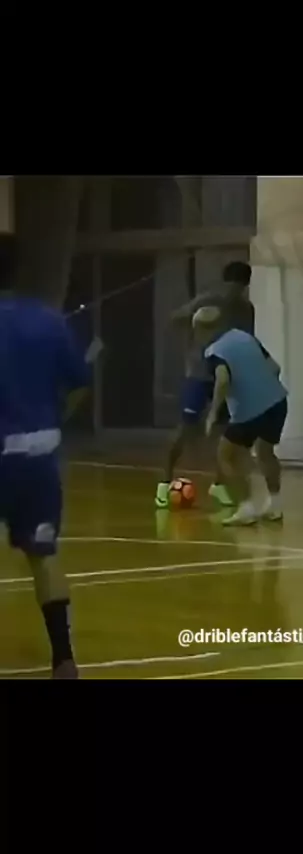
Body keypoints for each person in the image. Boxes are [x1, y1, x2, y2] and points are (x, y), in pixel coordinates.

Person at [0, 237, 91, 679]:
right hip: (39, 455)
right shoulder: (51, 321)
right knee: (44, 555)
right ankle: (64, 660)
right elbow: (79, 384)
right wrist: (53, 421)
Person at [155, 261, 255, 510]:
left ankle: (219, 485)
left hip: (227, 377)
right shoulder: (207, 299)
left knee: (226, 435)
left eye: (239, 287)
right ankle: (164, 483)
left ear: (245, 286)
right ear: (225, 283)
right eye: (231, 286)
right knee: (186, 428)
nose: (233, 291)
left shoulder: (246, 310)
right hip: (199, 375)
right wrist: (195, 318)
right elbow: (175, 318)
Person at [194, 305, 288, 526]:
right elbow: (275, 367)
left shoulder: (214, 351)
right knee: (265, 452)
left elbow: (223, 380)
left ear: (202, 330)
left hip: (249, 410)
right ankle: (275, 505)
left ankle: (246, 507)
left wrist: (212, 414)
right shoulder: (244, 337)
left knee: (226, 456)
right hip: (277, 402)